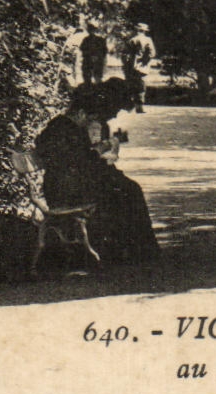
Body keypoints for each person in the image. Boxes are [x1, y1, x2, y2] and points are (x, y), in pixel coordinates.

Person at [31, 85, 159, 266]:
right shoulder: (63, 129)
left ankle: (129, 248)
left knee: (126, 189)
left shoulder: (64, 126)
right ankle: (131, 249)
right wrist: (99, 154)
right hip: (65, 189)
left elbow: (82, 160)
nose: (89, 123)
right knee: (125, 191)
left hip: (68, 183)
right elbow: (78, 161)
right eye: (88, 118)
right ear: (80, 113)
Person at [122, 22, 155, 113]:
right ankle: (139, 107)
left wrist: (126, 64)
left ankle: (130, 106)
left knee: (131, 85)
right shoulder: (147, 40)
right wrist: (144, 61)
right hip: (142, 67)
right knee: (141, 86)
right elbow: (152, 53)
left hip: (130, 66)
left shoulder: (131, 40)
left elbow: (124, 54)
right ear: (144, 31)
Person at [72, 18, 109, 88]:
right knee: (88, 78)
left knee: (97, 78)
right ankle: (90, 87)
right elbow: (83, 50)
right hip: (89, 61)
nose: (91, 32)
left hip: (95, 61)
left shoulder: (100, 40)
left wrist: (97, 57)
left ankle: (96, 88)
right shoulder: (86, 40)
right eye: (90, 30)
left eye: (92, 30)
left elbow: (104, 51)